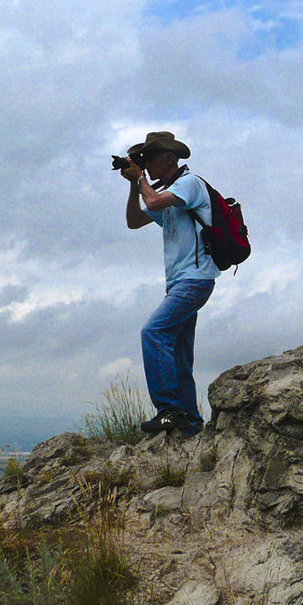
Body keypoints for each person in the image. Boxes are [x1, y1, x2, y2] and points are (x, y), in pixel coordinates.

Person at [119, 131, 219, 437]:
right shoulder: (171, 195)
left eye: (148, 159)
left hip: (194, 279)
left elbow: (154, 199)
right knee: (177, 352)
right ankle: (190, 423)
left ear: (168, 158)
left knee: (154, 332)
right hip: (180, 283)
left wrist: (140, 182)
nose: (146, 166)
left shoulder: (189, 184)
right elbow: (134, 220)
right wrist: (133, 186)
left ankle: (169, 410)